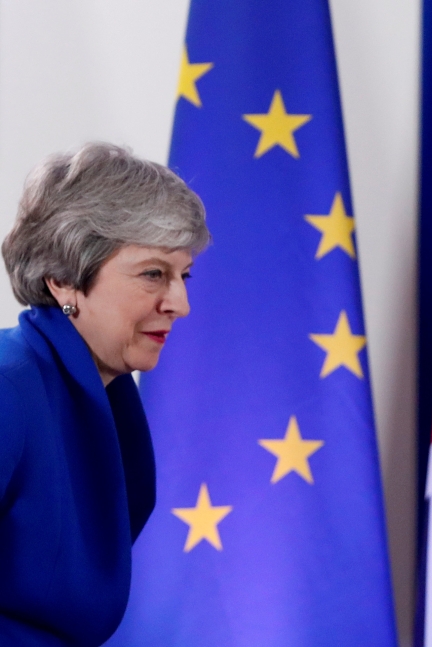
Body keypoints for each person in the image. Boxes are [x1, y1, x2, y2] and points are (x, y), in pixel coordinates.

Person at [0, 142, 210, 646]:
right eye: (153, 274)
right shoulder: (9, 386)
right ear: (64, 280)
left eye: (184, 275)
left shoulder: (104, 389)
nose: (179, 302)